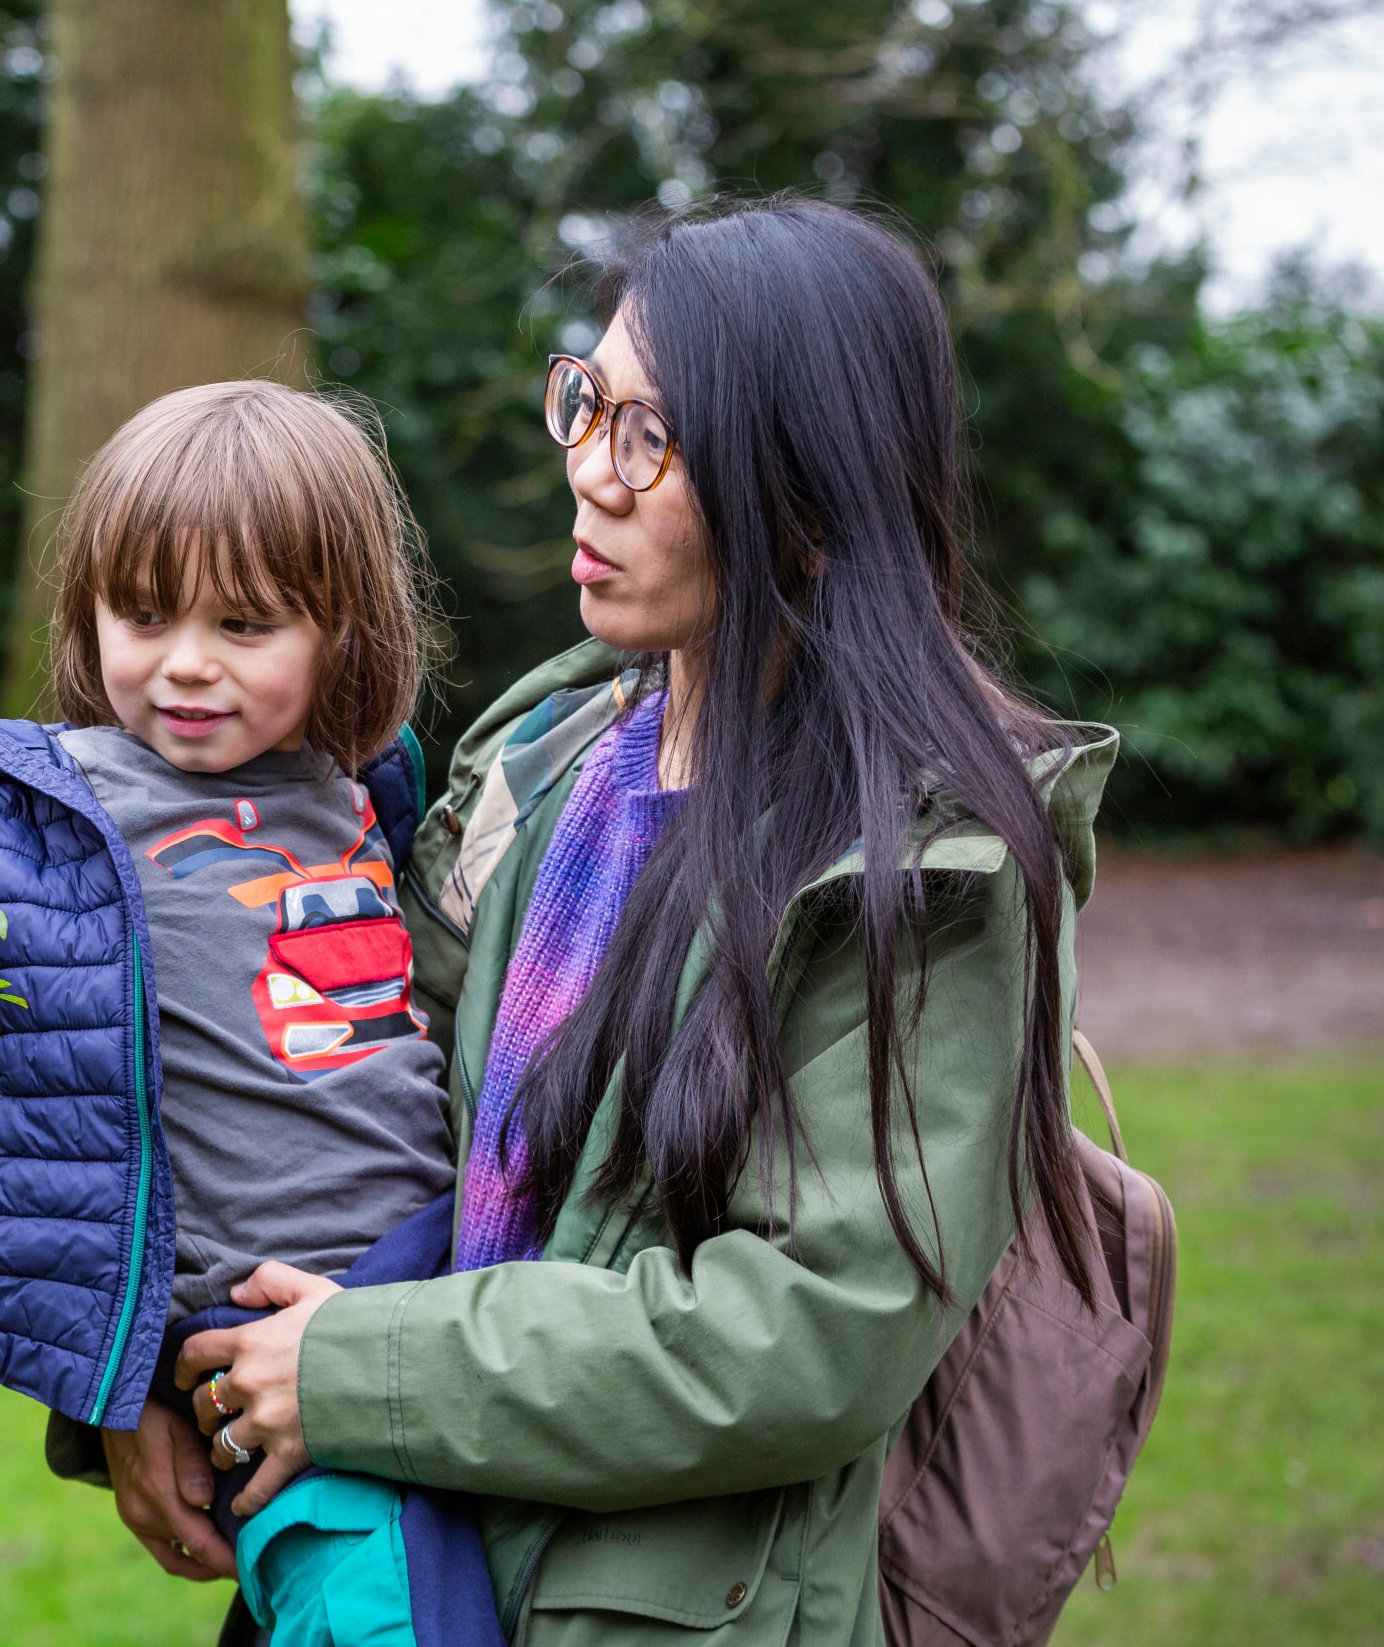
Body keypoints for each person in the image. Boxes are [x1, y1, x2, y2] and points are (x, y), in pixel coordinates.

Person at [152, 195, 1120, 1645]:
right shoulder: (537, 759)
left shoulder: (930, 866)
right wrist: (155, 1378)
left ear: (806, 495)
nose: (590, 478)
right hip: (410, 1550)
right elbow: (323, 1087)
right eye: (586, 403)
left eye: (650, 437)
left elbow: (807, 1330)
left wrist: (357, 1373)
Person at [0, 380, 479, 1641]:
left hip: (437, 1294)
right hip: (253, 1339)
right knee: (374, 1608)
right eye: (143, 613)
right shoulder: (32, 811)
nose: (185, 661)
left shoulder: (358, 789)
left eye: (244, 623)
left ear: (342, 631)